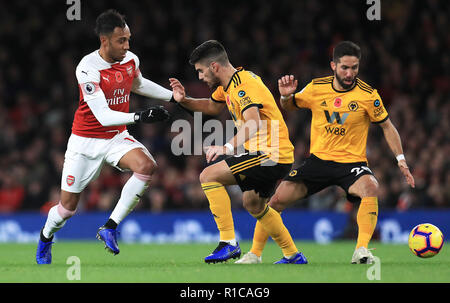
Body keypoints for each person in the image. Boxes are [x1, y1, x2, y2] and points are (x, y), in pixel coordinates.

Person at [237, 41, 415, 265]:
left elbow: (388, 126)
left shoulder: (368, 95)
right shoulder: (316, 87)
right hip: (318, 162)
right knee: (276, 200)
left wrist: (401, 160)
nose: (350, 73)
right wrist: (285, 98)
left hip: (351, 164)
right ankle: (255, 254)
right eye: (345, 68)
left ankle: (361, 250)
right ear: (333, 65)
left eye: (354, 68)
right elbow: (291, 106)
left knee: (371, 187)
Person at [36, 9, 173, 264]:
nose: (127, 45)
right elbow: (102, 115)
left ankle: (110, 226)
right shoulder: (88, 68)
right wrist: (140, 117)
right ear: (104, 41)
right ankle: (45, 238)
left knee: (146, 166)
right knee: (66, 209)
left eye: (128, 39)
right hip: (85, 142)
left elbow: (138, 84)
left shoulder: (130, 59)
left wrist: (172, 96)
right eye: (121, 40)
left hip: (115, 137)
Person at [169, 40, 307, 264]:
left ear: (214, 67)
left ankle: (228, 243)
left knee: (208, 176)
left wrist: (226, 147)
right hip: (274, 154)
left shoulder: (243, 85)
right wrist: (183, 100)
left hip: (269, 153)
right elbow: (212, 107)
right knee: (253, 204)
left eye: (201, 71)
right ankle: (293, 255)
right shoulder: (231, 84)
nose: (200, 77)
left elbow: (252, 124)